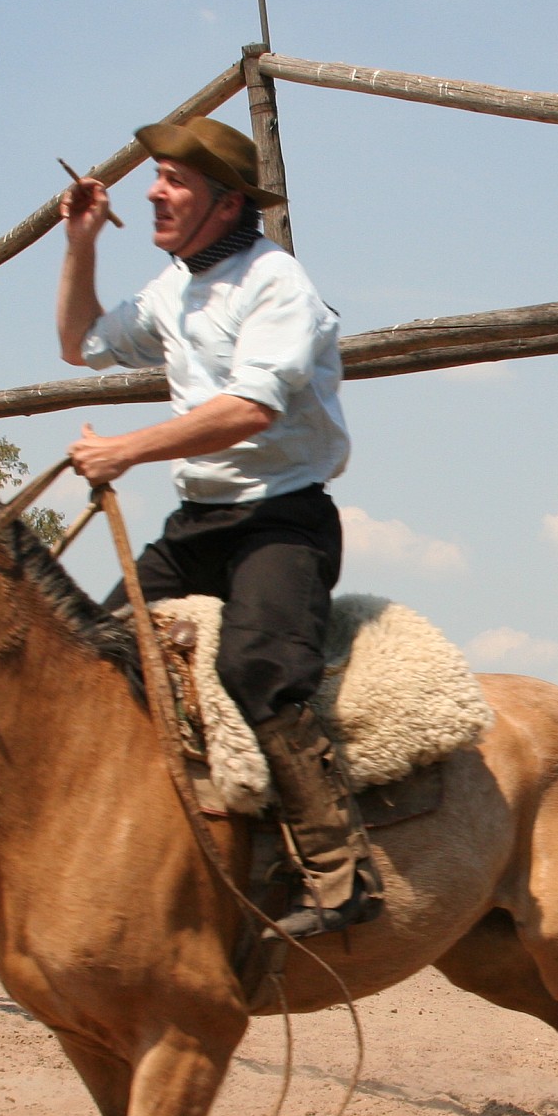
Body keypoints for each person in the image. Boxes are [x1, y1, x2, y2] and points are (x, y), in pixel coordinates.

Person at [54, 115, 378, 940]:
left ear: (228, 203)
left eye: (174, 181)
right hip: (198, 524)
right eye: (155, 176)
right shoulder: (171, 291)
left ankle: (342, 874)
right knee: (95, 651)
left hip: (282, 519)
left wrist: (125, 449)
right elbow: (78, 343)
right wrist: (82, 241)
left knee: (259, 665)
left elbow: (251, 408)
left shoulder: (278, 284)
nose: (154, 193)